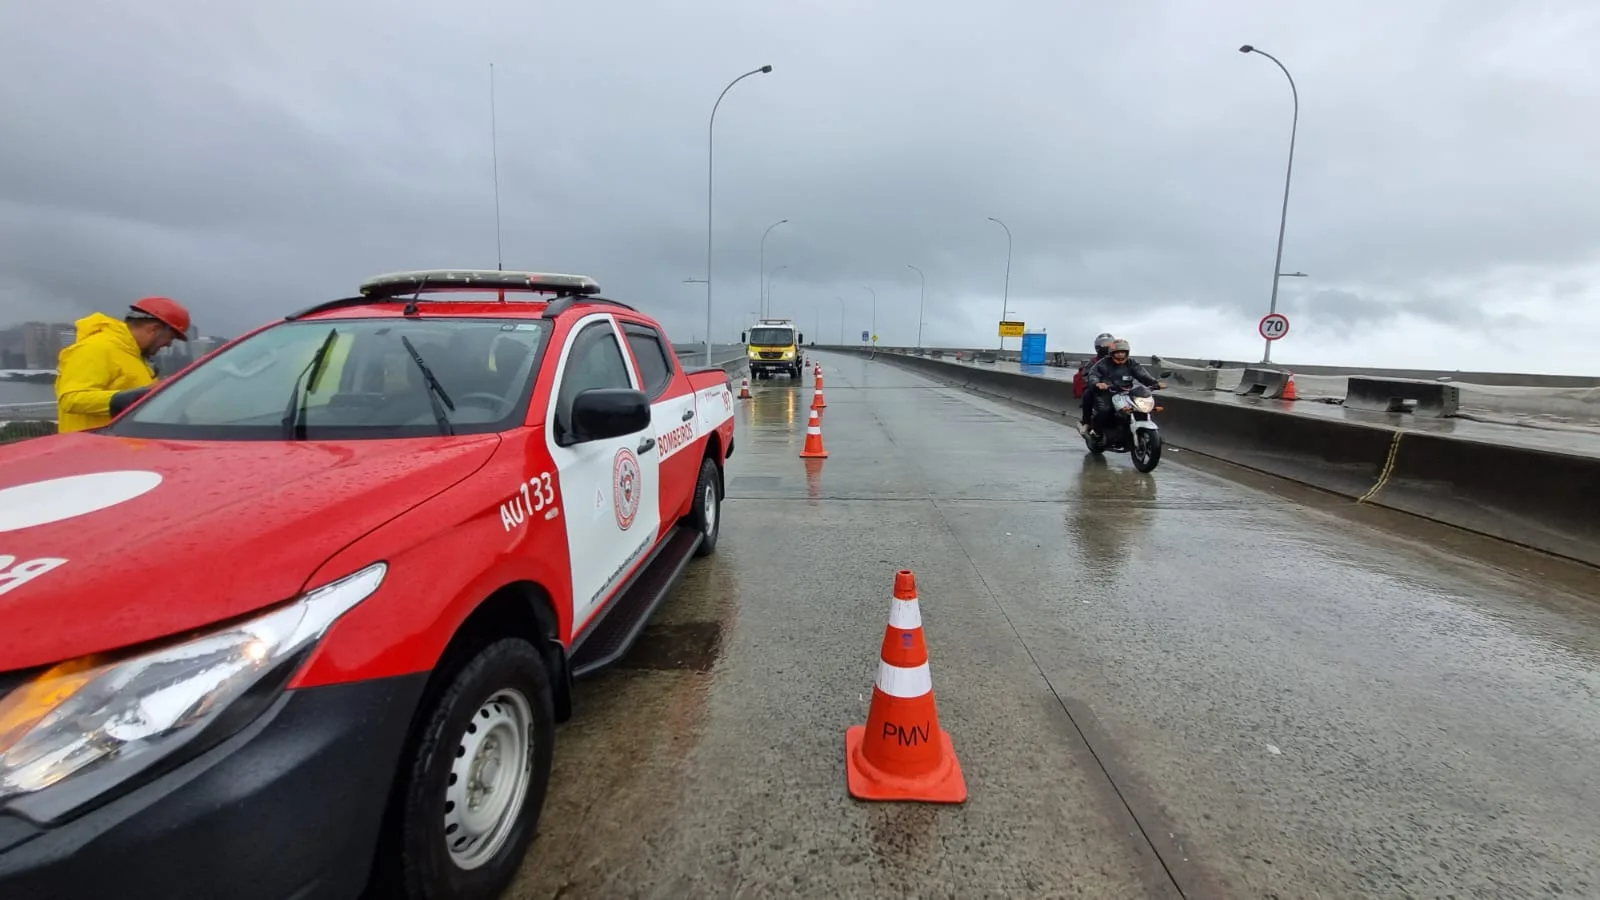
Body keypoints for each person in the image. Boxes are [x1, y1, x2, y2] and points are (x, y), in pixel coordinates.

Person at [55, 296, 191, 433]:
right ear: (154, 329)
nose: (169, 344)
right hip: (90, 449)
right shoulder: (96, 348)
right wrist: (136, 397)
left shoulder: (134, 355)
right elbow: (71, 399)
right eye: (170, 337)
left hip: (119, 446)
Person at [1083, 338, 1165, 436]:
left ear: (1127, 353)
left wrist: (1155, 383)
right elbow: (1093, 374)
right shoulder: (1103, 363)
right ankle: (1096, 431)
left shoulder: (1131, 363)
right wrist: (1098, 383)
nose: (1120, 355)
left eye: (1123, 352)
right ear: (1112, 353)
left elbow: (1142, 374)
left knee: (1138, 407)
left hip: (1126, 392)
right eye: (1117, 352)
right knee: (1105, 410)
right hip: (1108, 391)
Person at [1076, 333, 1117, 433]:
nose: (1107, 346)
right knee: (1087, 394)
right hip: (1098, 388)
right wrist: (1096, 383)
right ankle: (1086, 422)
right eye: (1104, 344)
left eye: (1109, 344)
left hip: (1115, 388)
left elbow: (1134, 372)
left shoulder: (1120, 360)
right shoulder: (1093, 361)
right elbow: (1086, 375)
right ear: (1098, 346)